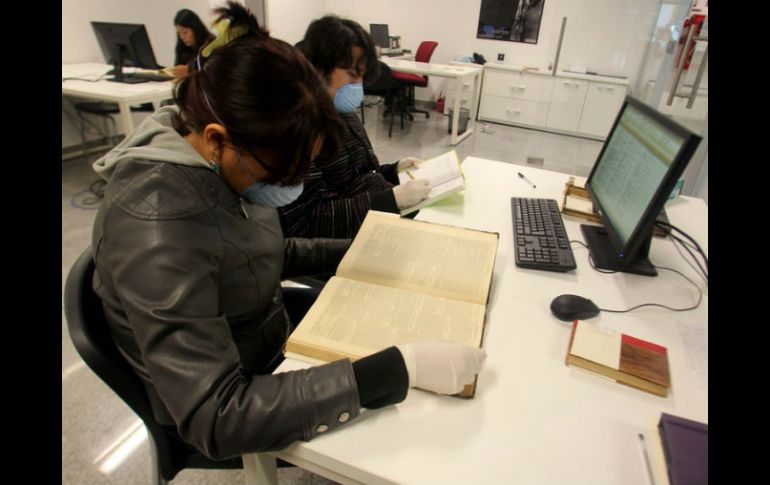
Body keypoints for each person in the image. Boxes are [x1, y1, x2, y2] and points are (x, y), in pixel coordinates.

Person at [90, 1, 485, 459]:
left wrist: (368, 250)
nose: (294, 185)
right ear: (217, 139)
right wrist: (399, 369)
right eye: (284, 173)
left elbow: (263, 250)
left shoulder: (217, 162)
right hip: (239, 393)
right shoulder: (157, 226)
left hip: (265, 331)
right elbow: (215, 416)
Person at [277, 15, 432, 239]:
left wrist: (395, 171)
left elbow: (359, 176)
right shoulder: (299, 131)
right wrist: (392, 200)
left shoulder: (343, 113)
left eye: (362, 76)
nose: (358, 86)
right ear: (318, 69)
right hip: (347, 241)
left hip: (378, 220)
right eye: (352, 74)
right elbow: (310, 222)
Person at [172, 8, 215, 78]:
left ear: (195, 29)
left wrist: (190, 71)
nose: (182, 37)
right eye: (179, 33)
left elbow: (213, 72)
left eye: (185, 32)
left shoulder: (211, 44)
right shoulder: (182, 47)